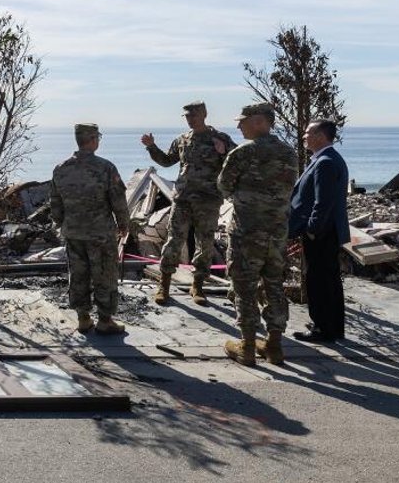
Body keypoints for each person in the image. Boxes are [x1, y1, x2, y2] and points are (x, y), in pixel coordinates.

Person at [217, 103, 297, 366]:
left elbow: (223, 185)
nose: (239, 126)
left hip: (246, 233)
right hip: (277, 233)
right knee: (274, 284)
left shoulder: (242, 153)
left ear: (260, 122)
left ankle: (248, 346)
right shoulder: (289, 153)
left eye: (244, 121)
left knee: (245, 288)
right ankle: (274, 345)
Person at [140, 101, 234, 306]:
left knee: (205, 242)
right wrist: (151, 147)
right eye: (187, 116)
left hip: (208, 199)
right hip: (183, 198)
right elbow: (166, 161)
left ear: (204, 115)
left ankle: (198, 285)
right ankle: (164, 285)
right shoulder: (182, 140)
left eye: (194, 115)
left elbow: (235, 162)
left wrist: (224, 150)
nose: (191, 119)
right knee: (174, 240)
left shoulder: (220, 139)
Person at [50, 123, 130, 335]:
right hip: (100, 234)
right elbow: (118, 201)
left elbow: (55, 204)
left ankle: (83, 318)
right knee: (104, 275)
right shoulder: (105, 168)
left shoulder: (61, 169)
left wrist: (61, 224)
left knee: (78, 274)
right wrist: (124, 225)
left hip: (73, 233)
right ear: (93, 140)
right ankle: (105, 320)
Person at [287, 119, 350, 344]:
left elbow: (322, 203)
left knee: (319, 280)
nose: (304, 136)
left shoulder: (325, 162)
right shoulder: (325, 159)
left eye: (308, 132)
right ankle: (331, 326)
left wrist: (312, 231)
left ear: (321, 136)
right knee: (328, 279)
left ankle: (323, 329)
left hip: (322, 233)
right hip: (326, 231)